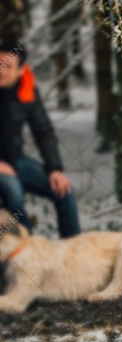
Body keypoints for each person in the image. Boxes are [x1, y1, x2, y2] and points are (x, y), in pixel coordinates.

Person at [0, 40, 80, 238]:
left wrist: (55, 169)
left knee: (64, 190)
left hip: (15, 160)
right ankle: (28, 255)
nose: (1, 70)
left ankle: (72, 253)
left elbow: (44, 132)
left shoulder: (26, 91)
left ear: (20, 71)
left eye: (8, 66)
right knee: (13, 191)